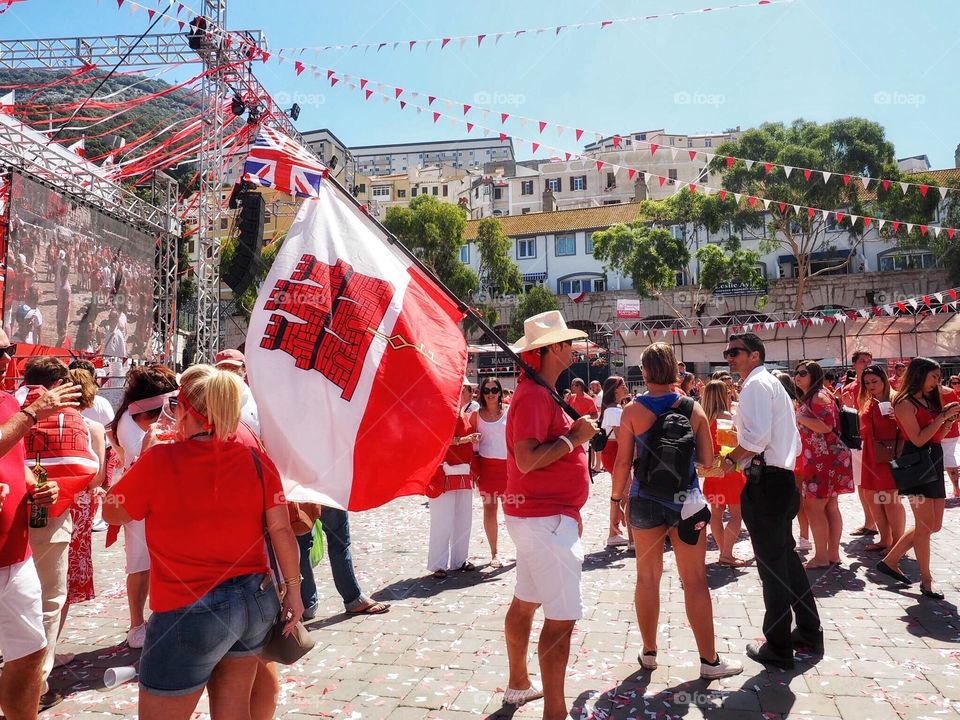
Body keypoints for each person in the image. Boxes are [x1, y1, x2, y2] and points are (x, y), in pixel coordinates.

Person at [104, 364, 302, 718]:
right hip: (253, 598)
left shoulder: (160, 459)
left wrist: (143, 457)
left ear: (187, 410)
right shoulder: (255, 457)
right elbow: (282, 530)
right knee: (234, 710)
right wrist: (294, 592)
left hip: (190, 607)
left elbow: (112, 512)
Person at [612, 343, 743, 680]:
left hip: (644, 500)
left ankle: (650, 651)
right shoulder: (694, 409)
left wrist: (615, 501)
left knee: (647, 577)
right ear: (675, 370)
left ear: (643, 372)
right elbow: (704, 461)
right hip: (686, 501)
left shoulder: (632, 411)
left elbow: (623, 462)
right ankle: (709, 660)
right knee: (695, 580)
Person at [502, 311, 597, 718]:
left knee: (526, 601)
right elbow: (526, 460)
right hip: (545, 520)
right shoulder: (535, 395)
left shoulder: (540, 390)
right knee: (560, 620)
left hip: (542, 518)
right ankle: (555, 712)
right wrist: (574, 438)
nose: (574, 349)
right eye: (568, 343)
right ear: (553, 349)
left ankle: (519, 683)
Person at [723, 333, 822, 669]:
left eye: (734, 352)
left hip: (766, 483)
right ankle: (808, 630)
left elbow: (756, 439)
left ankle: (778, 646)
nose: (729, 357)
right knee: (786, 561)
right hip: (778, 481)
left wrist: (726, 461)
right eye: (727, 352)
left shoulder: (755, 385)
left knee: (773, 568)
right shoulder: (768, 383)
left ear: (754, 355)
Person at [0, 332, 80, 719]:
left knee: (30, 652)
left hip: (15, 555)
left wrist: (35, 487)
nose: (5, 358)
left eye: (8, 350)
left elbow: (13, 460)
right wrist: (32, 414)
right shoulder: (19, 408)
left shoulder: (4, 402)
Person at [21, 357, 98, 704]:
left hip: (12, 513)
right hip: (49, 519)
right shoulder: (72, 419)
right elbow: (89, 469)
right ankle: (35, 688)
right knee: (49, 600)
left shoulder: (10, 406)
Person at [875, 358, 959, 599]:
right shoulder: (903, 402)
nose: (938, 381)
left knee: (934, 525)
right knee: (924, 526)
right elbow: (919, 439)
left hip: (933, 459)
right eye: (934, 376)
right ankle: (926, 579)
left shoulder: (930, 399)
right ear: (919, 375)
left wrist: (947, 420)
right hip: (915, 465)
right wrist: (942, 417)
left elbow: (935, 437)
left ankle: (890, 561)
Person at [107, 365, 179, 649]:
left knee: (156, 561)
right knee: (139, 564)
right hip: (138, 500)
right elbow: (146, 459)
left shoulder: (139, 414)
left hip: (157, 498)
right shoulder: (130, 420)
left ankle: (157, 617)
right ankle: (137, 625)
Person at [58, 367, 108, 664]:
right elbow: (97, 477)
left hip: (41, 500)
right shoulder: (92, 427)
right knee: (62, 579)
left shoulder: (41, 419)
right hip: (77, 505)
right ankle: (46, 651)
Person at [793, 361, 854, 569]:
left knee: (815, 508)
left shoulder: (818, 396)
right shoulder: (818, 395)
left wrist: (800, 416)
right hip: (824, 458)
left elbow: (826, 425)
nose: (797, 376)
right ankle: (832, 554)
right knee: (830, 507)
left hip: (822, 459)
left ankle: (821, 556)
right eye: (796, 373)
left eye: (803, 373)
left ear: (814, 375)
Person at [427, 381, 478, 579]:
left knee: (463, 518)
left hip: (463, 470)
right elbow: (438, 439)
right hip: (443, 471)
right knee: (443, 519)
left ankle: (459, 559)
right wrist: (465, 440)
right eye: (467, 389)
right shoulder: (442, 410)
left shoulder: (463, 413)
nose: (470, 393)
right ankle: (438, 563)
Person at [857, 364, 905, 553]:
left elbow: (905, 428)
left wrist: (898, 417)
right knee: (871, 496)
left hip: (889, 454)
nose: (870, 385)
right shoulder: (870, 400)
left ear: (884, 380)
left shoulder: (896, 399)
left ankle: (897, 543)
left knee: (890, 499)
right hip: (871, 453)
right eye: (867, 382)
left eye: (874, 381)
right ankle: (885, 539)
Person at [700, 380, 748, 567]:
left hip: (712, 470)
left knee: (716, 513)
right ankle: (726, 554)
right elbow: (730, 446)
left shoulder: (703, 417)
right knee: (736, 514)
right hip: (728, 470)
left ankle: (723, 551)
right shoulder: (725, 416)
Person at [472, 377, 509, 567]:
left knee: (514, 511)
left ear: (500, 392)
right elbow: (470, 444)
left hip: (508, 468)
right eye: (486, 391)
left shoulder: (510, 413)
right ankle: (495, 553)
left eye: (494, 390)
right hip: (487, 468)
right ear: (481, 393)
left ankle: (523, 549)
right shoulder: (475, 415)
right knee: (490, 510)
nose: (491, 394)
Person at [841, 350, 878, 538]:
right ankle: (869, 522)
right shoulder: (848, 388)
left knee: (872, 484)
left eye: (869, 361)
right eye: (863, 361)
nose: (867, 363)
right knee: (862, 485)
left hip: (872, 440)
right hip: (855, 441)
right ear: (854, 364)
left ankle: (877, 523)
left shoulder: (877, 386)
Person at [599, 375, 630, 548]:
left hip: (614, 453)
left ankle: (614, 531)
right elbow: (621, 439)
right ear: (615, 389)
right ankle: (614, 532)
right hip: (616, 454)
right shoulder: (614, 410)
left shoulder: (614, 408)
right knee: (622, 493)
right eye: (622, 385)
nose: (625, 387)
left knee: (621, 494)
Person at [214, 349, 260, 436]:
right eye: (223, 367)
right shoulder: (208, 398)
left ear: (244, 369)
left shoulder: (256, 397)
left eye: (233, 367)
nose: (228, 371)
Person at [941, 376, 960, 497]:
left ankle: (940, 490)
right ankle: (956, 488)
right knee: (949, 457)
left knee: (937, 460)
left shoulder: (925, 392)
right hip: (952, 430)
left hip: (935, 430)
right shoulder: (951, 392)